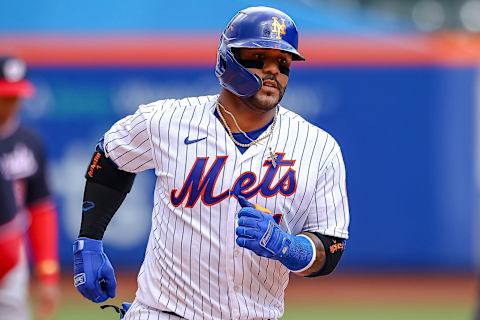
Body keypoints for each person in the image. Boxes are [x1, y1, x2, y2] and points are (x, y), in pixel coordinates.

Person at [73, 6, 350, 320]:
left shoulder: (318, 147)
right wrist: (89, 240)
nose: (273, 70)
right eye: (259, 58)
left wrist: (285, 245)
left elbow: (331, 247)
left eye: (283, 63)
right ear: (227, 58)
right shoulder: (166, 120)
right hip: (164, 311)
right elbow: (110, 155)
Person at [0, 55, 60, 319]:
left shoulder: (30, 142)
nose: (10, 104)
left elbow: (40, 208)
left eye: (15, 96)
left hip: (12, 250)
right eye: (5, 97)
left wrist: (47, 272)